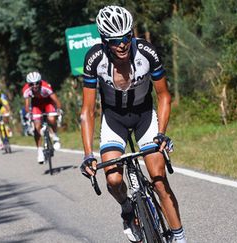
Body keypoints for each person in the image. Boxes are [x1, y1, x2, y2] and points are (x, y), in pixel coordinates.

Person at [79, 6, 186, 243]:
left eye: (126, 37)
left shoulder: (147, 52)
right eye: (115, 40)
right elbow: (87, 111)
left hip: (144, 116)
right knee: (114, 180)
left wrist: (161, 134)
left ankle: (180, 238)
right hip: (114, 119)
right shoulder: (94, 58)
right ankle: (127, 209)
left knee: (158, 179)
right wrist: (88, 154)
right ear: (104, 40)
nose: (122, 44)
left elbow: (164, 96)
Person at [22, 71, 62, 164]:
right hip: (36, 105)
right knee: (37, 127)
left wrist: (59, 110)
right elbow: (27, 105)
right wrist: (29, 114)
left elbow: (55, 100)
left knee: (51, 119)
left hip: (48, 103)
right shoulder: (26, 90)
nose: (35, 86)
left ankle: (55, 137)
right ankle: (39, 151)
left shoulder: (46, 86)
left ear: (40, 82)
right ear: (28, 84)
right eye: (32, 84)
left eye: (37, 83)